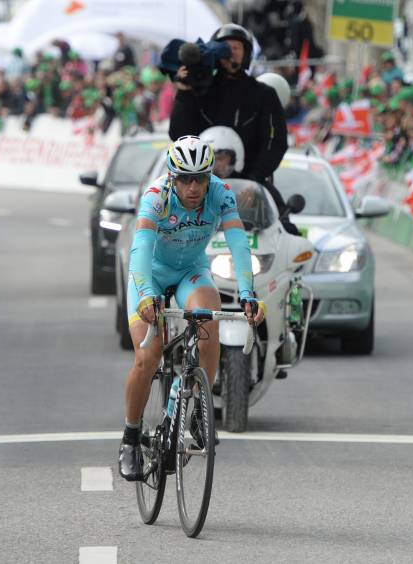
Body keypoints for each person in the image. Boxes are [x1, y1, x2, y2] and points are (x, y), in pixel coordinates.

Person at [118, 136, 265, 481]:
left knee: (208, 325)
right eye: (185, 179)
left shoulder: (220, 192)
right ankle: (129, 437)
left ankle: (198, 409)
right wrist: (143, 296)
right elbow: (140, 249)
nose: (194, 186)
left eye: (201, 177)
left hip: (191, 271)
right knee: (147, 355)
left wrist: (247, 293)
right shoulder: (156, 197)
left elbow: (238, 241)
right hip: (149, 276)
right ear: (172, 177)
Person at [169, 24, 288, 187]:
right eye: (224, 47)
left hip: (250, 183)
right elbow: (179, 134)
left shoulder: (264, 94)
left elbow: (276, 142)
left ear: (246, 53)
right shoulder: (198, 92)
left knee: (279, 210)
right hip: (202, 182)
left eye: (236, 47)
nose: (230, 52)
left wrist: (255, 179)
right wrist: (184, 92)